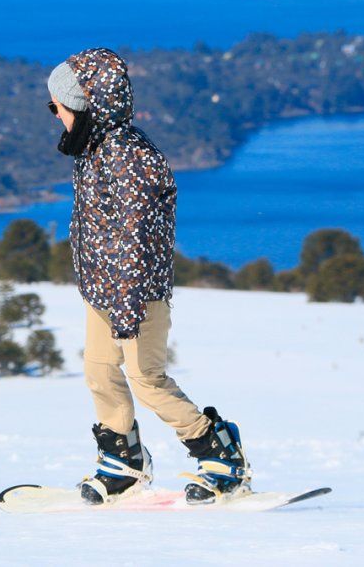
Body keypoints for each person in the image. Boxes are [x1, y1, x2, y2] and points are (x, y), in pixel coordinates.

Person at [46, 47, 251, 505]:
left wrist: (127, 304)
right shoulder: (95, 149)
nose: (53, 114)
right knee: (99, 372)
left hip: (136, 295)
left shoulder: (128, 156)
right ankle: (123, 463)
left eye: (55, 105)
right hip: (104, 291)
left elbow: (137, 238)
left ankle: (221, 454)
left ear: (83, 105)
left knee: (147, 378)